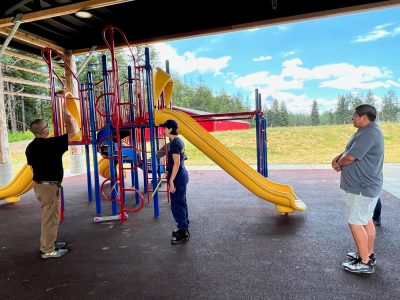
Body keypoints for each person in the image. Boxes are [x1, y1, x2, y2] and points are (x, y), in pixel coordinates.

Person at [331, 104, 384, 274]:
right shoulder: (366, 132)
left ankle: (365, 263)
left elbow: (352, 156)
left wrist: (339, 164)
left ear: (363, 117)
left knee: (355, 222)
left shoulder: (369, 133)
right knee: (365, 220)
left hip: (362, 187)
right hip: (366, 186)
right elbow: (350, 150)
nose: (352, 118)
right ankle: (367, 253)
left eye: (354, 116)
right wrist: (338, 157)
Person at [25, 113, 77, 259]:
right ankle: (48, 250)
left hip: (40, 186)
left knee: (50, 217)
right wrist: (68, 119)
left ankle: (49, 243)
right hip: (49, 187)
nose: (49, 129)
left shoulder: (30, 147)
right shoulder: (51, 144)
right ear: (43, 131)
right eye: (47, 127)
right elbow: (72, 133)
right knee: (50, 218)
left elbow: (31, 166)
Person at [159, 119, 190, 245]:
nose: (164, 130)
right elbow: (182, 158)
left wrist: (171, 180)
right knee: (181, 202)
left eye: (165, 128)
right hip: (180, 174)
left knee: (177, 204)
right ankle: (183, 227)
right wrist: (169, 168)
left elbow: (177, 163)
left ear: (170, 129)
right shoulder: (177, 141)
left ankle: (183, 233)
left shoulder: (175, 144)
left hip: (178, 176)